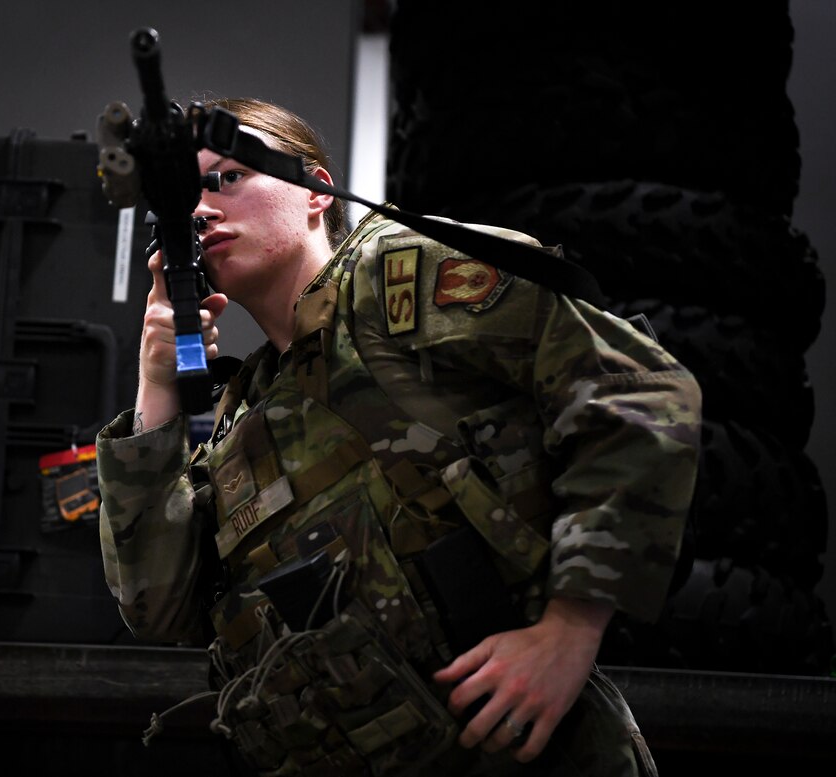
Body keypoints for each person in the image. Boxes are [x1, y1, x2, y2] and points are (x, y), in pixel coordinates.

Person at [96, 96, 702, 776]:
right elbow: (156, 605)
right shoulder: (242, 417)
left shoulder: (396, 277)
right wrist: (157, 386)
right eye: (185, 196)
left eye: (228, 178)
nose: (202, 208)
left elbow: (641, 392)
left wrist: (570, 632)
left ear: (317, 192)